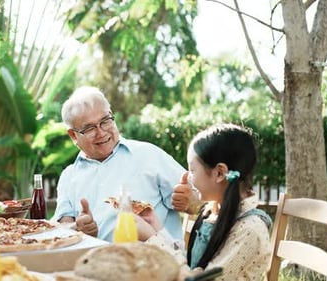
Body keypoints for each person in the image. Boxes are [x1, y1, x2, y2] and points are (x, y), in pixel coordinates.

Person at [51, 86, 196, 242]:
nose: (101, 132)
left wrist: (191, 201)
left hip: (153, 261)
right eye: (89, 128)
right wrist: (77, 228)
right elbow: (62, 228)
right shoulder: (69, 176)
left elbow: (204, 201)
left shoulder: (148, 155)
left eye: (105, 121)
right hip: (92, 263)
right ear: (73, 135)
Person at [135, 123, 272, 281]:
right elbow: (190, 267)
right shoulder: (212, 210)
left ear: (220, 173)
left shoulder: (249, 230)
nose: (188, 177)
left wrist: (152, 238)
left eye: (193, 170)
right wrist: (155, 225)